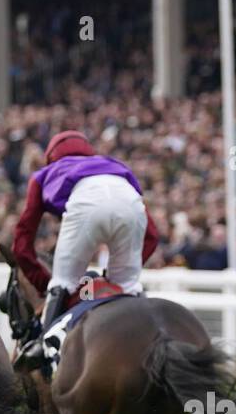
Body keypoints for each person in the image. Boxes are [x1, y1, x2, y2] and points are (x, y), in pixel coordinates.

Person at [10, 130, 159, 362]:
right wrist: (113, 277)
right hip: (130, 207)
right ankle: (151, 345)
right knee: (129, 286)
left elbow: (21, 242)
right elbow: (152, 236)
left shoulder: (43, 175)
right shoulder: (116, 167)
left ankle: (43, 350)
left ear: (52, 157)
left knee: (62, 284)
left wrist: (44, 283)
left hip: (86, 208)